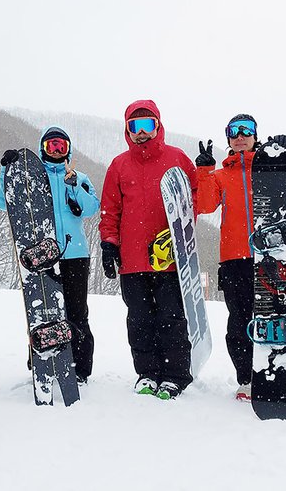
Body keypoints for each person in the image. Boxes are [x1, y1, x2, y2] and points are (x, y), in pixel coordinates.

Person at [194, 113, 286, 401]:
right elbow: (203, 206)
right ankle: (248, 379)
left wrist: (285, 158)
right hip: (234, 260)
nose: (240, 136)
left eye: (246, 130)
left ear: (255, 135)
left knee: (272, 318)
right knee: (239, 323)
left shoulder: (267, 170)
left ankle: (275, 372)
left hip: (269, 257)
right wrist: (204, 171)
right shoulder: (220, 176)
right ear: (228, 138)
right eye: (234, 131)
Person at [99, 99, 196, 400]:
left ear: (158, 126)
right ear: (127, 130)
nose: (141, 133)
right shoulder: (119, 165)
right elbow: (110, 210)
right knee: (140, 320)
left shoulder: (177, 158)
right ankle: (147, 373)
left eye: (147, 125)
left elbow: (195, 198)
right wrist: (108, 244)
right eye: (134, 127)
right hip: (133, 260)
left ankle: (175, 376)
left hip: (169, 260)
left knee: (171, 318)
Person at [0, 127, 100, 384]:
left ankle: (80, 369)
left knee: (76, 313)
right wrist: (6, 172)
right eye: (51, 146)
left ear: (68, 150)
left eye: (60, 147)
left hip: (74, 255)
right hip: (42, 255)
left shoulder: (79, 177)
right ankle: (43, 363)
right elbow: (4, 202)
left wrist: (73, 183)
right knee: (43, 312)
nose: (56, 151)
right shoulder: (32, 177)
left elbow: (91, 208)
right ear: (42, 148)